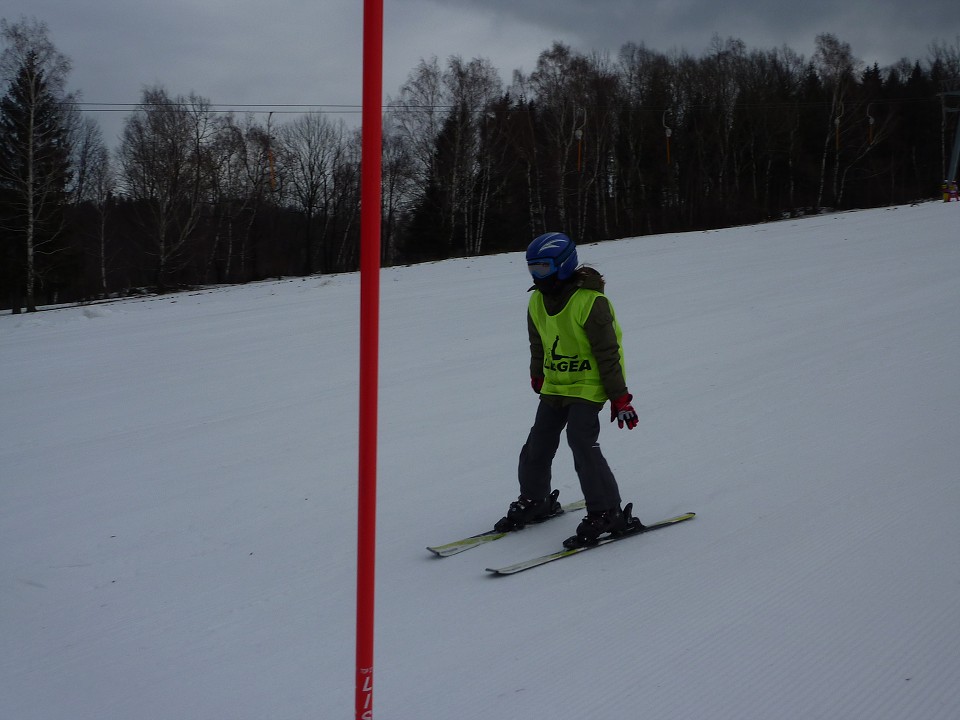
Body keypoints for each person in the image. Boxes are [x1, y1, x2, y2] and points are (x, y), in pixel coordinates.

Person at [494, 232, 641, 548]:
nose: (537, 275)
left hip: (588, 386)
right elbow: (539, 343)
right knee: (538, 443)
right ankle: (535, 500)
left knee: (580, 441)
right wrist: (537, 374)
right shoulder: (536, 300)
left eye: (543, 268)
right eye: (532, 269)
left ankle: (607, 511)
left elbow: (608, 352)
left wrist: (620, 397)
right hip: (555, 385)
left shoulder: (591, 302)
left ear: (563, 265)